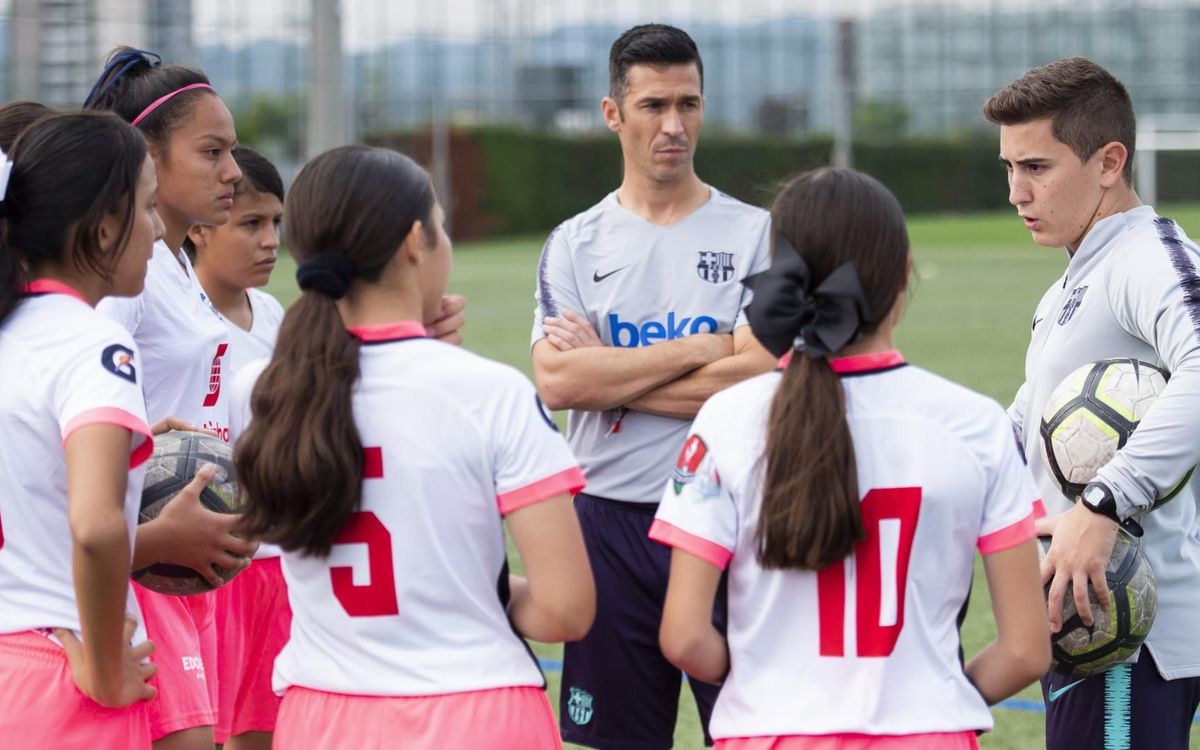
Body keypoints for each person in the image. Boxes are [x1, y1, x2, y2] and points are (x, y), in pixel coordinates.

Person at [653, 167, 1051, 749]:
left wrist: (769, 686)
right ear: (904, 274)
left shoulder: (725, 417)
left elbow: (685, 637)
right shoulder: (974, 424)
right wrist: (934, 697)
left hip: (769, 732)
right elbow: (1024, 650)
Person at [230, 145, 595, 750]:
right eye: (442, 227)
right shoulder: (490, 393)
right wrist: (465, 589)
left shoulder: (262, 391)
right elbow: (565, 609)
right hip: (476, 714)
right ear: (412, 242)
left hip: (322, 718)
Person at [530, 23, 774, 749]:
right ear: (614, 114)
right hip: (607, 523)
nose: (675, 125)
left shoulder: (756, 233)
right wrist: (704, 347)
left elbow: (761, 371)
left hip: (731, 521)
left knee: (752, 733)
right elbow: (558, 378)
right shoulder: (575, 241)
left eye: (689, 104)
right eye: (653, 106)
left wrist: (612, 379)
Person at [984, 57, 1200, 749]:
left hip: (1131, 641)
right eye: (1008, 168)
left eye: (1037, 168)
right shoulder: (1076, 281)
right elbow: (1021, 429)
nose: (1017, 192)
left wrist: (1104, 502)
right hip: (1084, 629)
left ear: (1110, 162)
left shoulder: (1148, 255)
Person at [84, 47, 258, 750]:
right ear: (147, 155)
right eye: (212, 151)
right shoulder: (130, 273)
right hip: (142, 562)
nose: (233, 171)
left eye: (234, 151)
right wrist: (151, 530)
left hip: (185, 558)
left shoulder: (176, 263)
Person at [0, 111, 164, 747]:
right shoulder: (97, 344)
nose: (156, 232)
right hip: (58, 677)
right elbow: (96, 525)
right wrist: (101, 668)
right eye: (149, 209)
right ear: (102, 230)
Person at [186, 145, 286, 750]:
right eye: (250, 223)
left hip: (277, 559)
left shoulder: (275, 314)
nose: (270, 240)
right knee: (205, 729)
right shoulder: (180, 323)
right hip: (211, 562)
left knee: (267, 732)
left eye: (276, 223)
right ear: (198, 229)